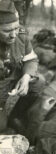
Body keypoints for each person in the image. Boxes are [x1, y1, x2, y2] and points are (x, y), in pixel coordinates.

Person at [0, 0, 44, 132]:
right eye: (7, 31)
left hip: (12, 77)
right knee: (1, 127)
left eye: (16, 28)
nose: (13, 34)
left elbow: (31, 60)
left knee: (38, 82)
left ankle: (16, 116)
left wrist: (25, 77)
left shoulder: (21, 35)